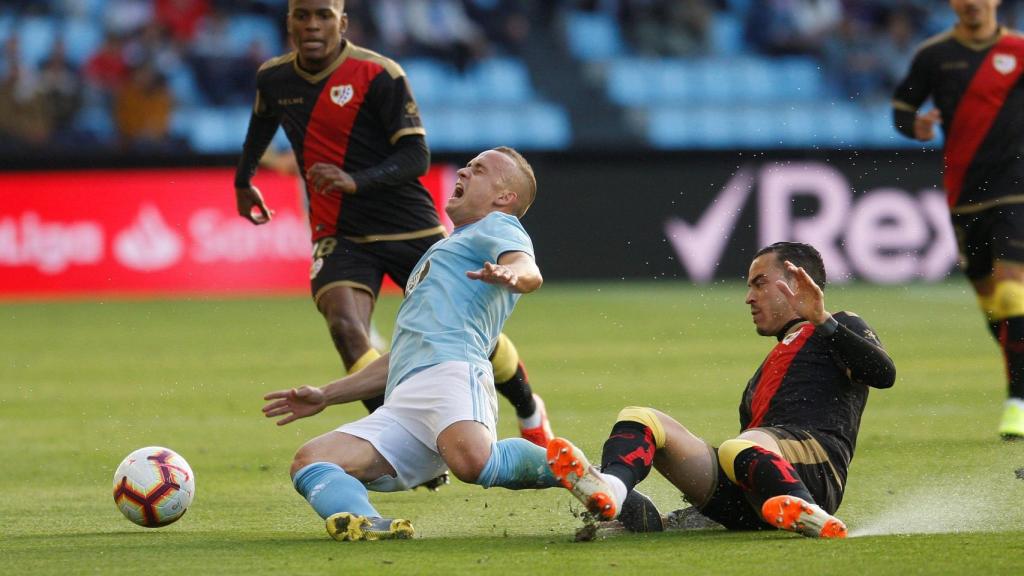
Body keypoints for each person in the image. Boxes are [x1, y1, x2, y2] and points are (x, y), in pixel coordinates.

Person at [233, 0, 552, 450]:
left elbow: (415, 157)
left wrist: (354, 181)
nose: (311, 24)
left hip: (407, 225)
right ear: (288, 22)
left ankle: (528, 407)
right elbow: (263, 122)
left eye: (322, 15)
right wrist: (244, 178)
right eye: (301, 15)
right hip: (338, 231)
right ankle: (394, 435)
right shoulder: (274, 78)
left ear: (342, 22)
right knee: (346, 327)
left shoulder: (379, 75)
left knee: (463, 329)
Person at [261, 147, 563, 541]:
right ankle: (364, 520)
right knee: (310, 460)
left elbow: (529, 269)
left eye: (480, 170)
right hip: (407, 401)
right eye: (467, 166)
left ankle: (570, 469)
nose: (465, 172)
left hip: (453, 376)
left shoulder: (497, 226)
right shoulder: (442, 251)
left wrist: (513, 273)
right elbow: (401, 358)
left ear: (504, 197)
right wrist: (325, 395)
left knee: (473, 461)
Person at [546, 242, 895, 539]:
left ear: (797, 283)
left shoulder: (840, 325)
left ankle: (809, 513)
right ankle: (614, 490)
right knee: (640, 418)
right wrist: (683, 521)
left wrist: (823, 320)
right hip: (759, 484)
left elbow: (883, 374)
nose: (749, 298)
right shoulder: (764, 374)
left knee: (739, 446)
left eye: (759, 284)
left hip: (817, 473)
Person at [892, 0, 1024, 439]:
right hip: (965, 195)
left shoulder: (1019, 51)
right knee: (991, 304)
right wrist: (918, 129)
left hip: (1016, 189)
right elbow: (901, 110)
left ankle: (1018, 401)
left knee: (1011, 293)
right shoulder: (933, 55)